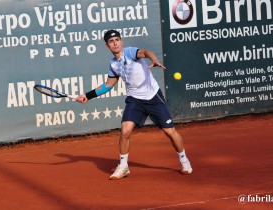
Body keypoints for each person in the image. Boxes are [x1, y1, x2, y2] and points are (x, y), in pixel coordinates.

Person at [76, 30, 192, 180]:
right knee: (125, 131)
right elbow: (108, 85)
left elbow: (146, 52)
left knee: (170, 132)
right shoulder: (113, 64)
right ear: (107, 46)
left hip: (153, 96)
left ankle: (184, 160)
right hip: (134, 99)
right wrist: (87, 96)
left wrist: (154, 59)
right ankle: (123, 166)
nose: (115, 43)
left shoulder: (130, 52)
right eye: (111, 41)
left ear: (121, 41)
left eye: (117, 39)